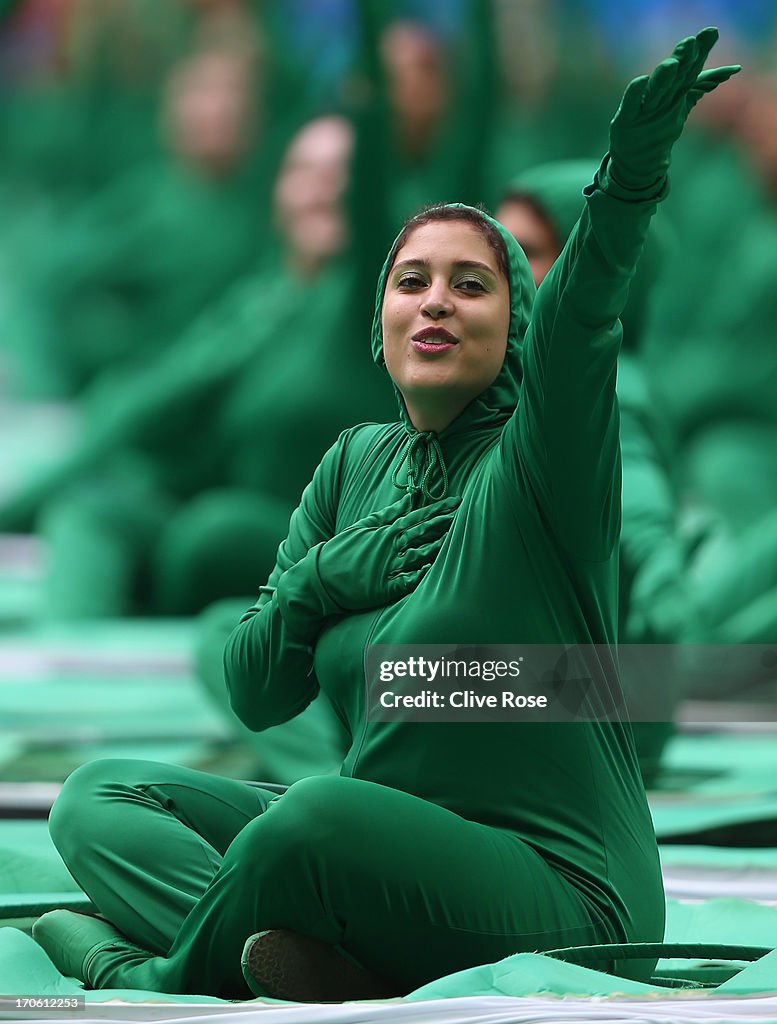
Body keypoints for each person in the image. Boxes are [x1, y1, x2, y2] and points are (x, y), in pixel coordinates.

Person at [32, 30, 739, 1002]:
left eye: (473, 282)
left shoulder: (543, 464)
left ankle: (144, 965)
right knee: (97, 800)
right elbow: (254, 691)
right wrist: (321, 583)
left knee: (309, 820)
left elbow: (585, 316)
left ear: (516, 324)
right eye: (412, 280)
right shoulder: (354, 464)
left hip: (563, 885)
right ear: (380, 323)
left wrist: (626, 181)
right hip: (378, 844)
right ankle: (313, 952)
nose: (436, 301)